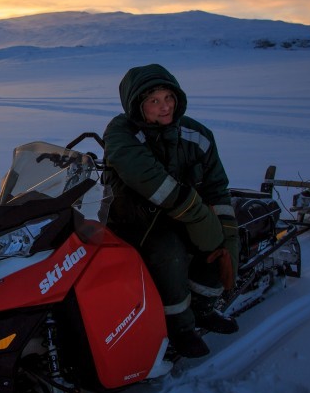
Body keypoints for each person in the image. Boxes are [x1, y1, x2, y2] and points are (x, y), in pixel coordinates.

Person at [103, 63, 240, 358]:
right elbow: (150, 180)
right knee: (169, 253)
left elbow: (217, 187)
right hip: (137, 220)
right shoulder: (121, 133)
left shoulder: (198, 135)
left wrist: (227, 233)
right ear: (136, 105)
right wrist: (200, 215)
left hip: (183, 215)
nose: (164, 107)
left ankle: (203, 308)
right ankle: (179, 327)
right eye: (154, 101)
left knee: (217, 245)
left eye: (169, 98)